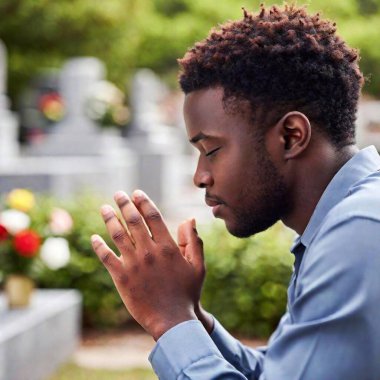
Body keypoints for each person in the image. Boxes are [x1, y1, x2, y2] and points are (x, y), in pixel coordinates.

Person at [91, 4, 380, 379]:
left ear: (291, 136)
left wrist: (170, 320)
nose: (200, 176)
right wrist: (193, 319)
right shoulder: (346, 222)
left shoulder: (359, 232)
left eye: (211, 150)